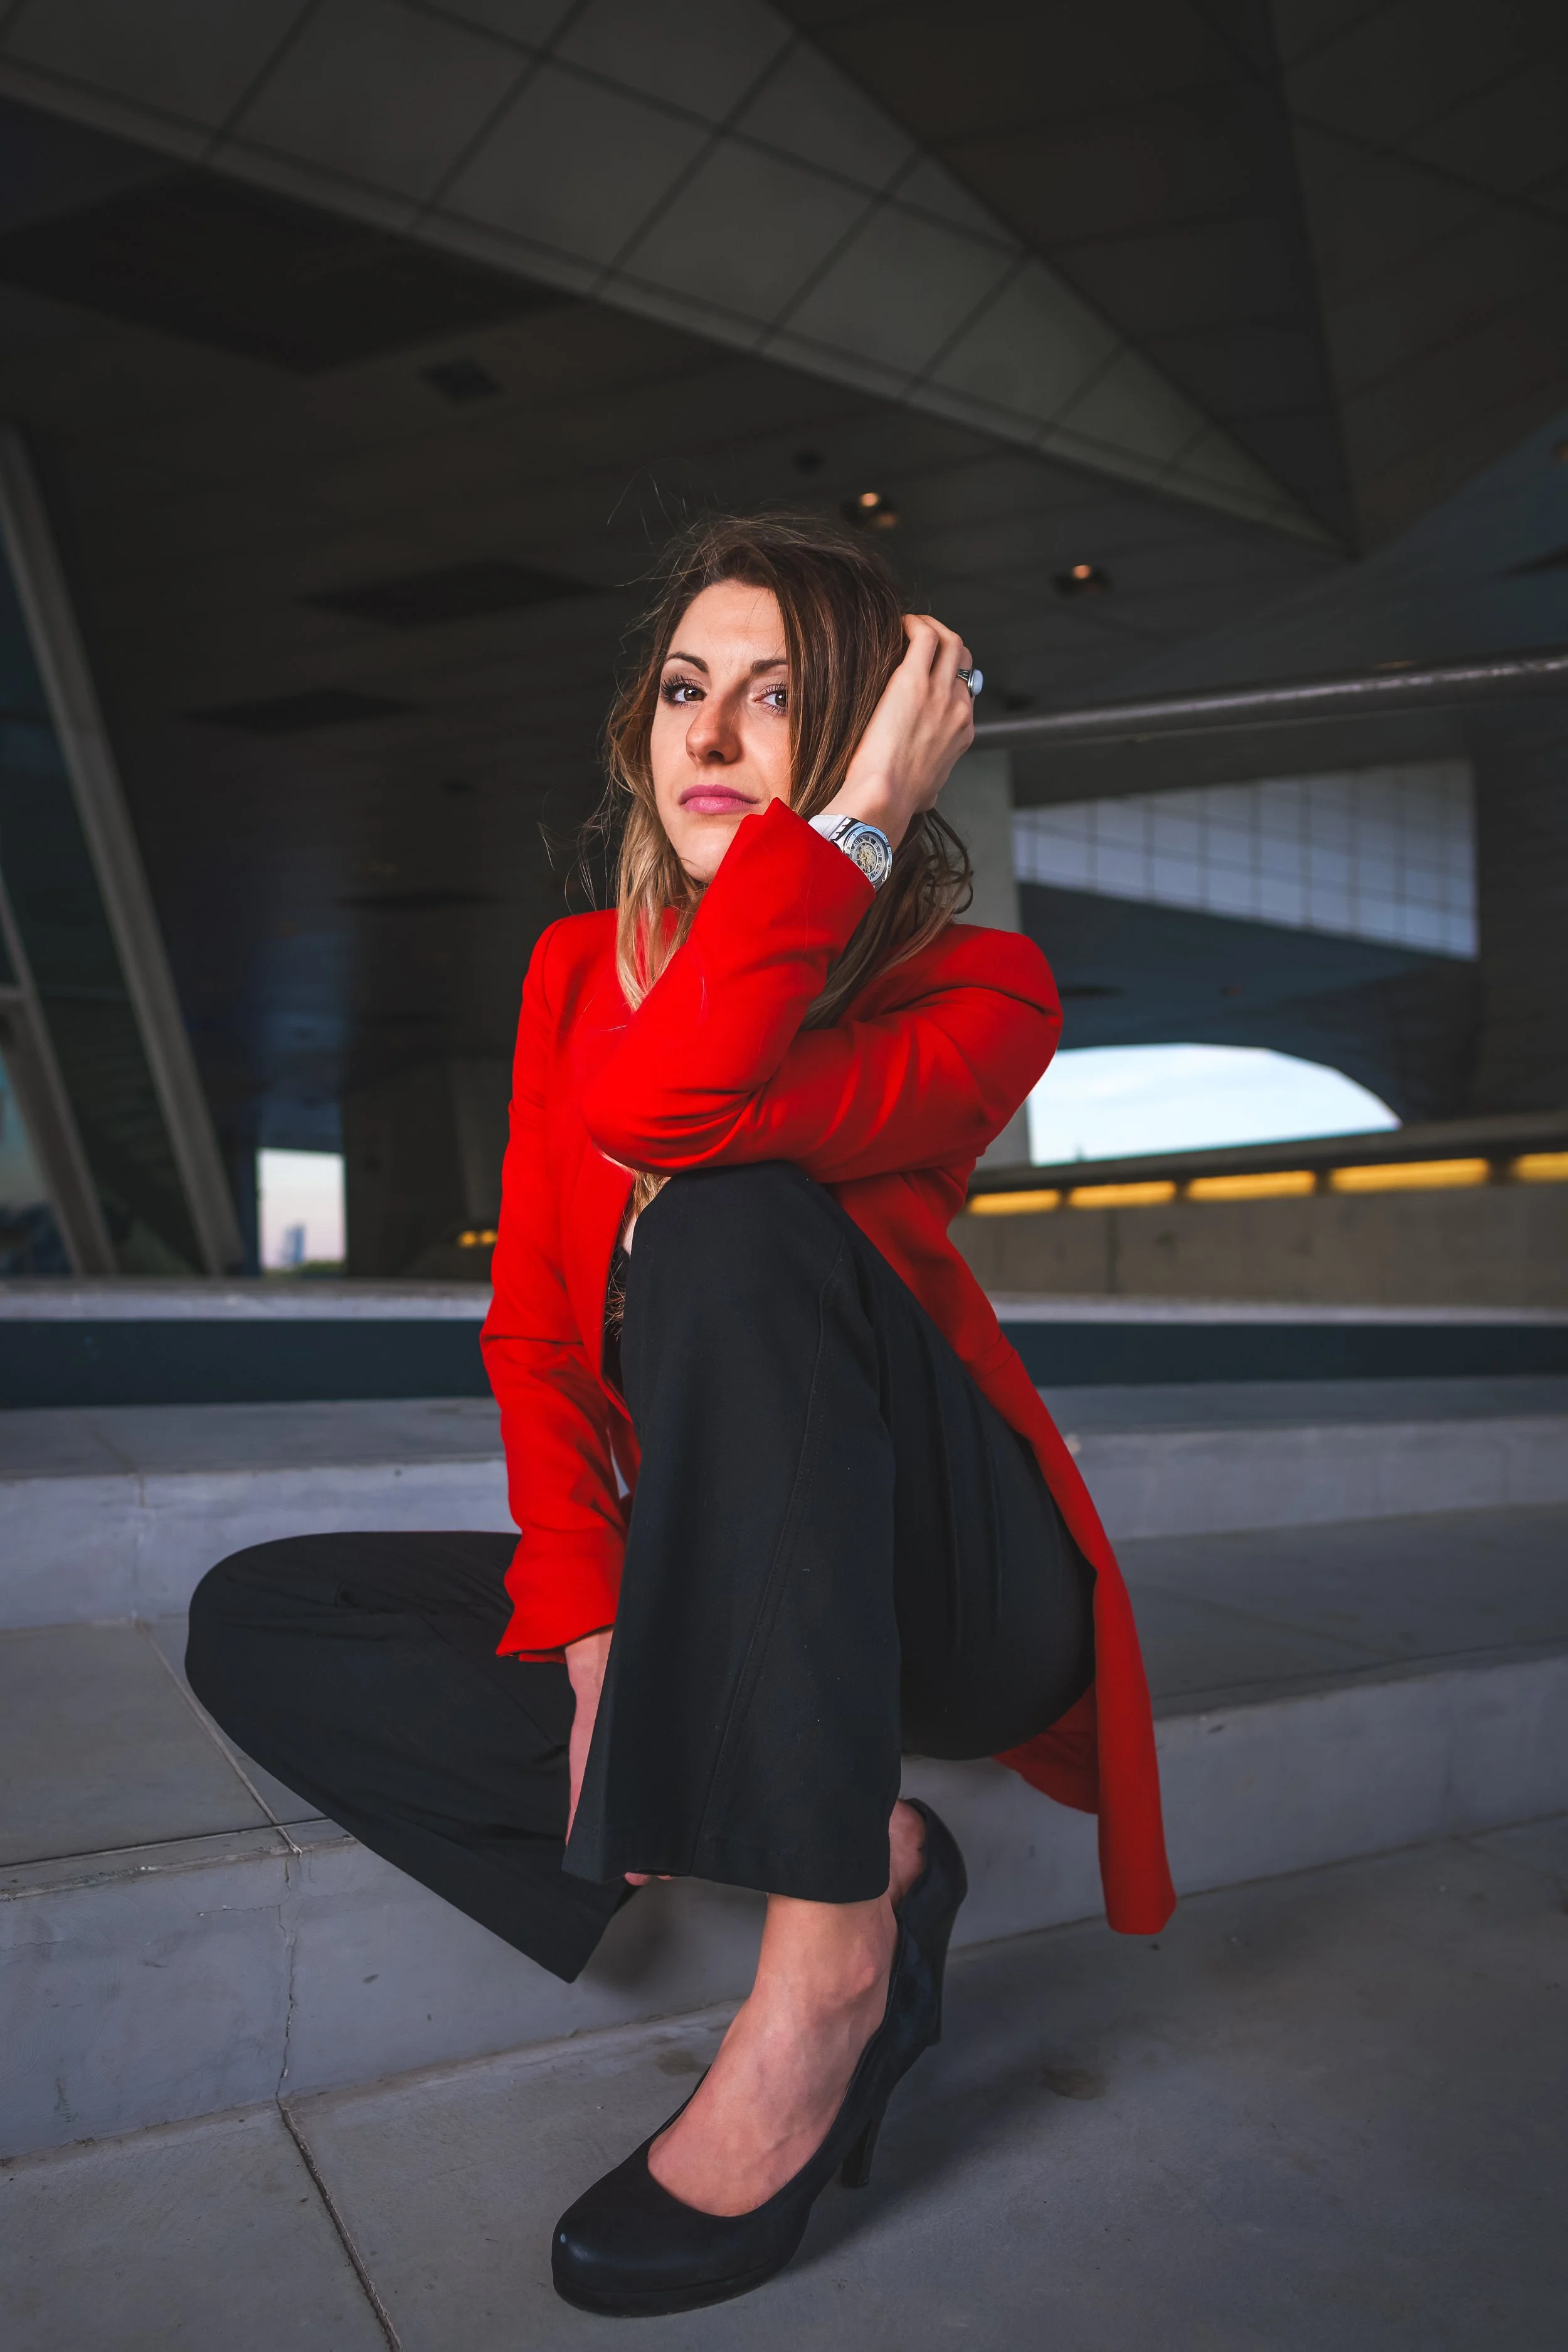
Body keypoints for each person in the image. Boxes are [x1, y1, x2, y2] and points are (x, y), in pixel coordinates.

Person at [188, 512, 1173, 2319]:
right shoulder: (575, 968)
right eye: (680, 690)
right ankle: (868, 1839)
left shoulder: (982, 988)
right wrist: (591, 1630)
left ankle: (830, 1976)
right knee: (264, 1615)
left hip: (956, 1597)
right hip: (741, 1569)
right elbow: (535, 1337)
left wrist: (852, 825)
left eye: (778, 700)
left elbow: (675, 1111)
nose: (708, 736)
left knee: (729, 1219)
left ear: (871, 735)